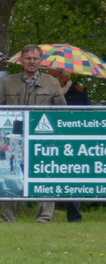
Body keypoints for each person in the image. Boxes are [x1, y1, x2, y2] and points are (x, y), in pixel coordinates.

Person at [0, 43, 65, 223]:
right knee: (9, 174)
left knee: (45, 174)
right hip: (14, 137)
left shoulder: (52, 82)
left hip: (43, 137)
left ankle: (44, 218)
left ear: (41, 61)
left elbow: (62, 110)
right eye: (28, 58)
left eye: (35, 58)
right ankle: (7, 218)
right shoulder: (8, 82)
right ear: (21, 60)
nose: (32, 62)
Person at [54, 69, 90, 222]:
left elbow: (89, 113)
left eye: (55, 73)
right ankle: (46, 216)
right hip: (52, 136)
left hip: (74, 138)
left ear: (66, 74)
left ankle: (75, 216)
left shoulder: (80, 91)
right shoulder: (48, 88)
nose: (52, 75)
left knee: (73, 176)